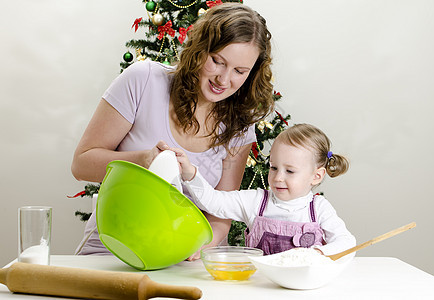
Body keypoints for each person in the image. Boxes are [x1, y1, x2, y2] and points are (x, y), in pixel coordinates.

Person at [71, 3, 274, 259]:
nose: (224, 79)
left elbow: (221, 213)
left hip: (183, 258)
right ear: (200, 50)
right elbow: (81, 164)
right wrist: (143, 161)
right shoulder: (143, 80)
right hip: (112, 249)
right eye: (217, 61)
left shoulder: (240, 123)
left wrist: (197, 249)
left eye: (239, 71)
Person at [172, 123, 356, 256]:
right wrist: (190, 174)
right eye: (274, 167)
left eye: (290, 171)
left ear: (316, 176)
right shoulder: (256, 202)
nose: (278, 177)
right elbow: (213, 201)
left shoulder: (319, 209)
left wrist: (317, 253)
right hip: (259, 287)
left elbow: (346, 242)